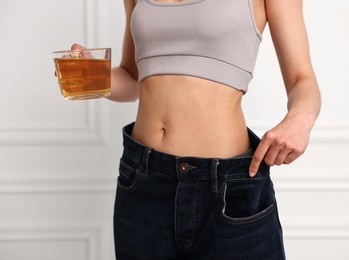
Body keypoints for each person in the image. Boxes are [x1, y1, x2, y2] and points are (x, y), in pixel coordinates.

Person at [71, 0, 320, 259]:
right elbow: (133, 78)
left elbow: (302, 79)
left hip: (228, 189)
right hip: (144, 182)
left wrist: (300, 120)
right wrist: (94, 76)